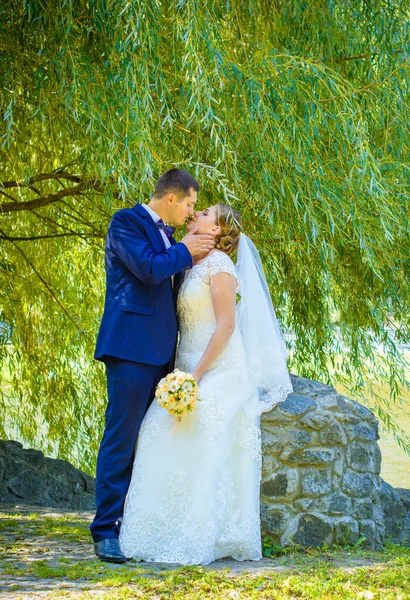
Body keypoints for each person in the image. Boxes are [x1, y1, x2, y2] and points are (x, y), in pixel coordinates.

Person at [118, 203, 293, 565]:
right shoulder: (186, 264)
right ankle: (155, 532)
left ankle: (197, 535)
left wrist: (194, 377)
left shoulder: (220, 267)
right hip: (187, 367)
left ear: (216, 231)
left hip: (220, 370)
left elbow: (226, 327)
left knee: (198, 429)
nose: (195, 215)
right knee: (153, 431)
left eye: (204, 214)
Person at [90, 168, 217, 563]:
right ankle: (104, 530)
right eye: (191, 204)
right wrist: (187, 249)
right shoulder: (125, 222)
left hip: (164, 354)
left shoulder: (172, 239)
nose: (191, 212)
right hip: (130, 349)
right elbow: (147, 268)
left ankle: (136, 523)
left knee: (152, 442)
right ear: (172, 198)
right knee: (121, 438)